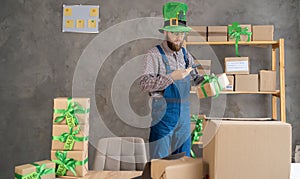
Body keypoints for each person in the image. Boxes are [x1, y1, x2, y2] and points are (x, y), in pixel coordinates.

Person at [139, 2, 203, 159]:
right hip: (163, 115)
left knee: (184, 161)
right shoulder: (154, 54)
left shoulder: (185, 54)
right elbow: (144, 84)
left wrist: (211, 82)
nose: (178, 38)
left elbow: (197, 78)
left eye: (181, 34)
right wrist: (170, 78)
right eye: (174, 33)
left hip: (184, 117)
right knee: (158, 160)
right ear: (166, 32)